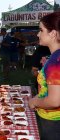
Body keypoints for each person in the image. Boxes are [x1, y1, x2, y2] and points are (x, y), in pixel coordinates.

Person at [29, 12, 60, 140]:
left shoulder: (56, 60)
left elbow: (54, 100)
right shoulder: (54, 58)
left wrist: (34, 101)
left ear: (53, 33)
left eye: (41, 30)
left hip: (54, 123)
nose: (38, 34)